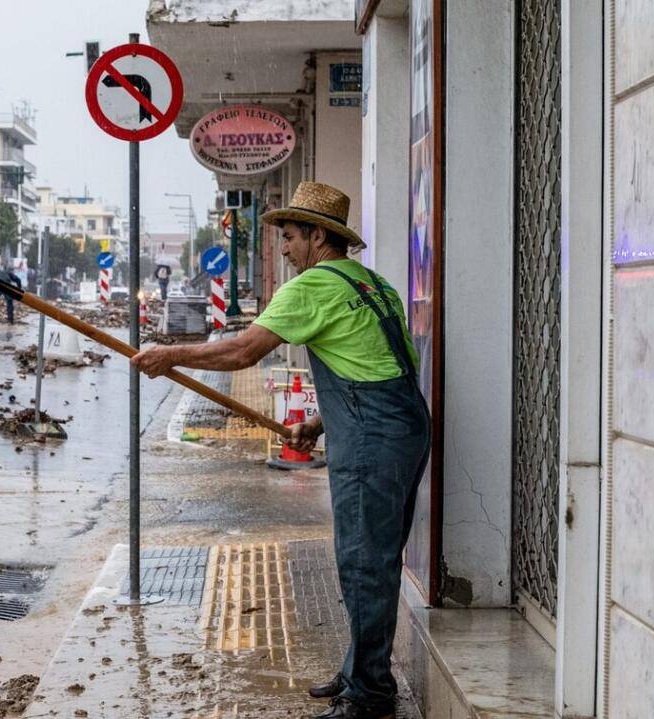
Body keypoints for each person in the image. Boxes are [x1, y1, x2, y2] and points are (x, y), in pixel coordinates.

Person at [131, 182, 430, 719]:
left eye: (291, 237)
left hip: (371, 439)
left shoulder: (313, 284)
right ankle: (358, 671)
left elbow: (245, 350)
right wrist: (317, 424)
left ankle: (370, 696)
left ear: (319, 236)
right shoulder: (373, 284)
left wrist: (170, 354)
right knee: (376, 559)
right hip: (406, 427)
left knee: (364, 563)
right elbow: (381, 367)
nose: (286, 249)